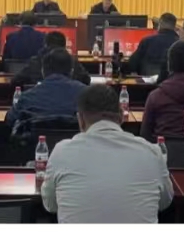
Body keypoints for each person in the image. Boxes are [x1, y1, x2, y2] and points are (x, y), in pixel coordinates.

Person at [41, 84, 173, 223]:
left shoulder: (61, 153)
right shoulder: (152, 153)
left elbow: (50, 205)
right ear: (121, 116)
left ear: (80, 120)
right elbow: (165, 202)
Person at [6, 48, 86, 131]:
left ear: (43, 71)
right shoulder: (87, 96)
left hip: (35, 139)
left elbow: (10, 119)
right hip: (76, 139)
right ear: (71, 71)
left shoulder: (27, 97)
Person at [13, 30, 91, 87]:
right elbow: (86, 80)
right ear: (64, 46)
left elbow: (16, 81)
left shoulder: (35, 61)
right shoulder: (71, 61)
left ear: (45, 45)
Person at [125, 12, 181, 76]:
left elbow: (133, 63)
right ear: (174, 26)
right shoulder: (181, 43)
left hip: (148, 80)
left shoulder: (147, 41)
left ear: (160, 24)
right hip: (172, 80)